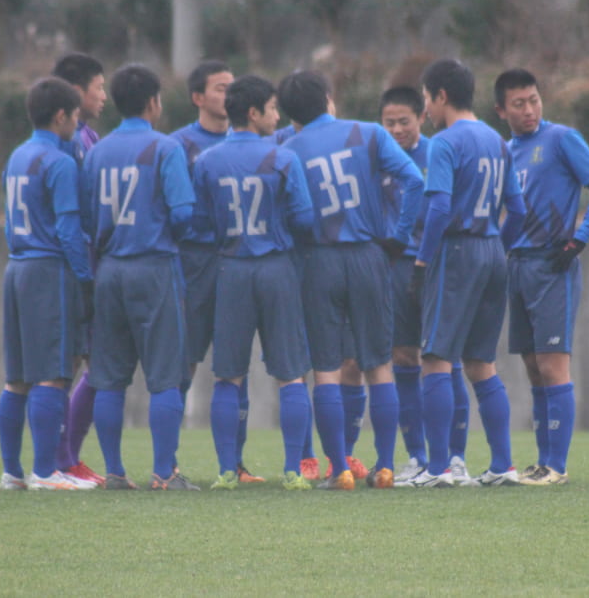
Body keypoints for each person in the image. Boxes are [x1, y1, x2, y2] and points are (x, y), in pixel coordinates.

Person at [279, 70, 424, 490]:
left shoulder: (289, 150)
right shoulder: (370, 133)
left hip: (319, 260)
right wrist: (398, 237)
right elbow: (414, 180)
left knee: (325, 369)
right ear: (329, 98)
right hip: (368, 256)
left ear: (291, 114)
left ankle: (339, 468)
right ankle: (384, 467)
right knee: (379, 364)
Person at [398, 58, 526, 488]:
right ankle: (502, 465)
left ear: (441, 96)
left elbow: (437, 207)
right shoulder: (498, 141)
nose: (426, 111)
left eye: (426, 100)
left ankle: (437, 470)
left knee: (434, 359)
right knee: (481, 363)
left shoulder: (444, 143)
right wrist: (496, 248)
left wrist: (421, 261)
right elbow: (519, 210)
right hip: (492, 250)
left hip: (456, 251)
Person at [494, 68, 589, 486]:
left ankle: (557, 467)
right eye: (518, 103)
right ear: (501, 111)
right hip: (518, 265)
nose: (529, 110)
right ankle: (543, 461)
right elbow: (511, 213)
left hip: (553, 264)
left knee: (552, 365)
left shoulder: (562, 139)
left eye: (534, 99)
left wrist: (580, 238)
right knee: (531, 366)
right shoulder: (506, 151)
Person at [192, 75, 315, 491]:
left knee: (228, 375)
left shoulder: (207, 161)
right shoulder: (282, 159)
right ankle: (294, 472)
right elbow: (304, 219)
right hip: (277, 268)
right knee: (292, 375)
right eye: (273, 109)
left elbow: (201, 222)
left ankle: (228, 471)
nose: (277, 116)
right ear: (254, 112)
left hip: (232, 270)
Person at [80, 63, 198, 491]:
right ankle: (165, 473)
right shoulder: (165, 149)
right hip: (153, 266)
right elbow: (184, 213)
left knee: (109, 375)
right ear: (153, 102)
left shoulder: (97, 152)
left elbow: (88, 218)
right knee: (165, 374)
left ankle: (113, 471)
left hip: (109, 270)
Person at [0, 76, 97, 491]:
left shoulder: (17, 156)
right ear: (60, 116)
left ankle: (12, 473)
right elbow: (69, 231)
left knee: (16, 377)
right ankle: (45, 472)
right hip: (47, 270)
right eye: (75, 116)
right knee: (53, 373)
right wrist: (86, 279)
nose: (78, 124)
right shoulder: (59, 163)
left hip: (16, 266)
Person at [170, 61, 262, 484]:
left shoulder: (251, 143)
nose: (228, 95)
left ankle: (235, 464)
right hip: (196, 265)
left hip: (238, 262)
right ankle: (166, 464)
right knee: (184, 362)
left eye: (232, 88)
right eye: (220, 88)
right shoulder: (178, 145)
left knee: (234, 366)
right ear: (198, 97)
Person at [377, 86, 474, 485]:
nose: (397, 129)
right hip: (396, 270)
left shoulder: (437, 153)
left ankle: (454, 457)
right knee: (403, 357)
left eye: (404, 121)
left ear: (421, 117)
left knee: (445, 358)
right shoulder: (377, 157)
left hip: (435, 265)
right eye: (389, 123)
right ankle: (416, 455)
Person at [50, 52, 107, 485]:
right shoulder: (67, 142)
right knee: (73, 361)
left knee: (94, 359)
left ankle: (67, 456)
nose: (103, 95)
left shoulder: (88, 136)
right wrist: (83, 271)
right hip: (74, 263)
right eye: (98, 87)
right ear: (76, 93)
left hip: (90, 258)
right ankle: (60, 459)